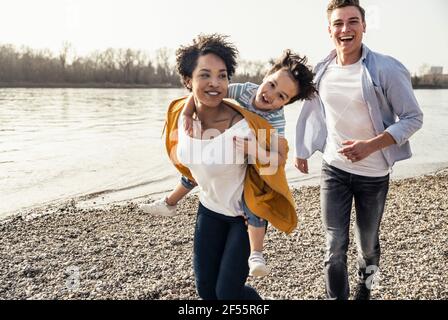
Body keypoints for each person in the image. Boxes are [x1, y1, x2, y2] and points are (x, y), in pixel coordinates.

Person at [142, 50, 316, 278]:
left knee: (254, 202)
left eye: (282, 96)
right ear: (266, 76)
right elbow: (206, 95)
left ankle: (257, 253)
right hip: (226, 156)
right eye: (272, 85)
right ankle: (169, 202)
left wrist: (254, 150)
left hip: (251, 165)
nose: (271, 95)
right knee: (197, 169)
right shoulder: (243, 89)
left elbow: (279, 161)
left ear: (288, 103)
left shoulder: (275, 120)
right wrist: (186, 113)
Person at [295, 0, 423, 300]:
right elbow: (310, 112)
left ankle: (366, 295)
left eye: (353, 22)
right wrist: (302, 149)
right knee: (333, 246)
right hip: (333, 170)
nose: (345, 29)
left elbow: (413, 118)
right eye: (338, 23)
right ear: (329, 30)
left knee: (368, 246)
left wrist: (372, 145)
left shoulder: (387, 68)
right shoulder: (320, 70)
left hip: (374, 174)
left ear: (364, 26)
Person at [162, 34, 297, 300]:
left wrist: (257, 156)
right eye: (205, 75)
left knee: (227, 294)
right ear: (188, 81)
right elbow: (184, 161)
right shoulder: (179, 114)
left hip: (242, 218)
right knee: (205, 292)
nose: (215, 83)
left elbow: (275, 166)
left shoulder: (250, 126)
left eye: (222, 76)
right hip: (208, 211)